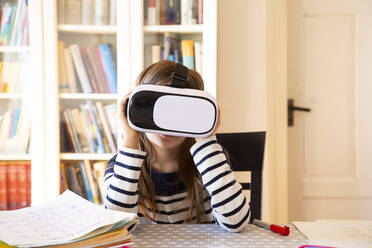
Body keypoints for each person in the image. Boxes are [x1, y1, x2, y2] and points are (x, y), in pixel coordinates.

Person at [104, 60, 250, 232]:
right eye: (158, 108)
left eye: (181, 111)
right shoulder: (121, 166)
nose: (167, 123)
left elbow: (236, 223)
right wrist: (130, 137)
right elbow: (116, 229)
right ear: (135, 108)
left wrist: (206, 137)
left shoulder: (209, 162)